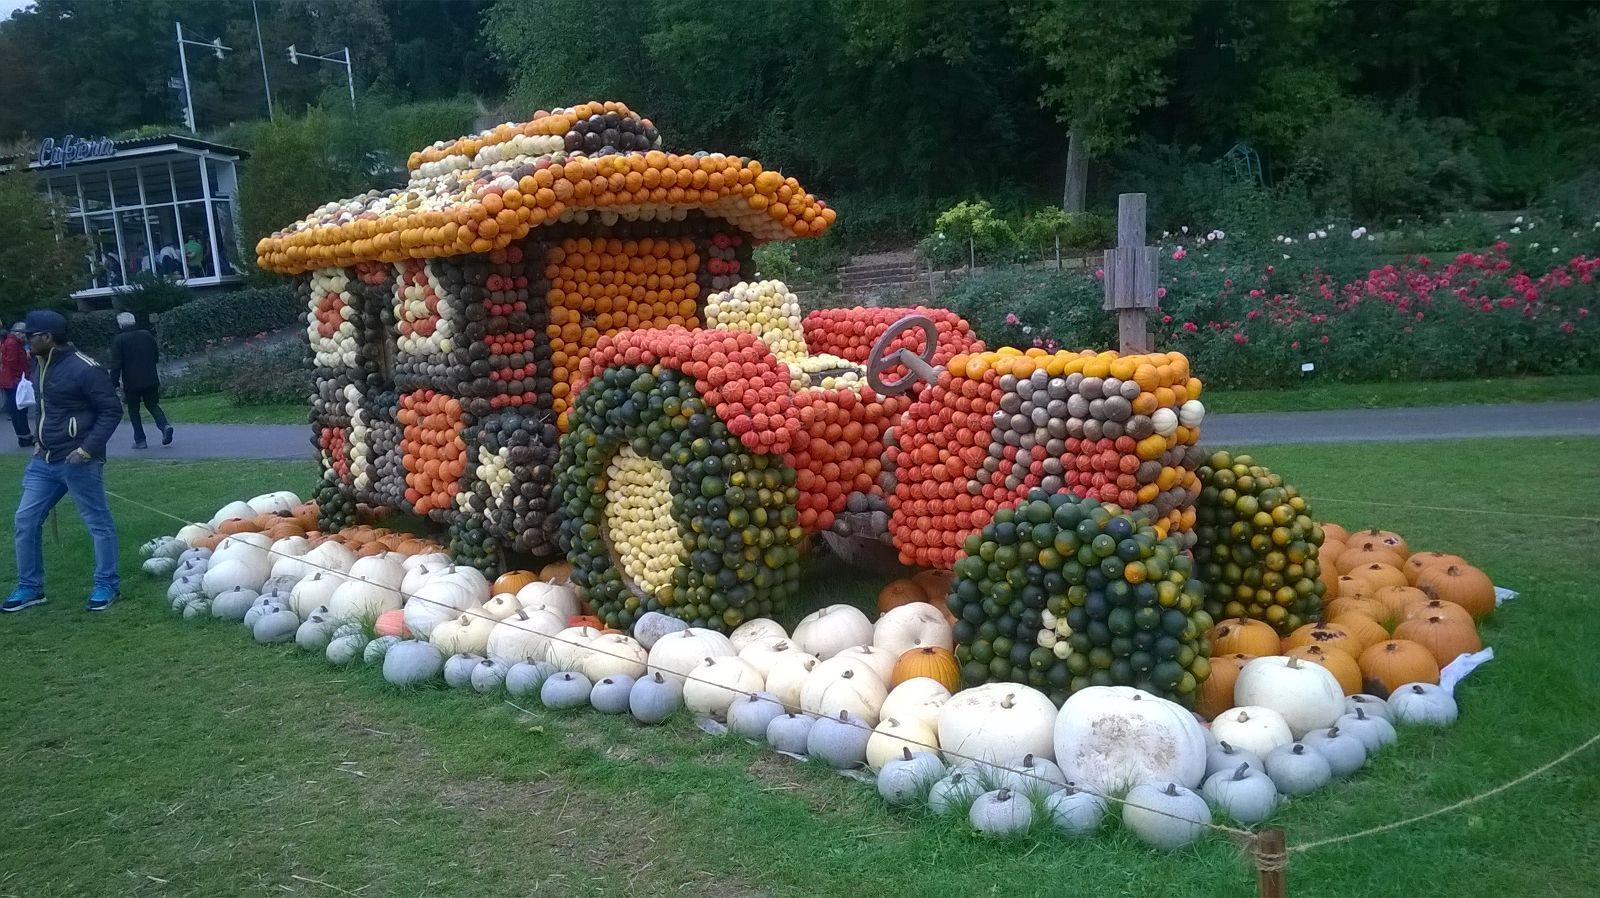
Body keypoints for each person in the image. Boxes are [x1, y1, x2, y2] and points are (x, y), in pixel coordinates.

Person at [4, 310, 124, 613]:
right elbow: (47, 410)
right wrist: (37, 441)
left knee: (98, 523)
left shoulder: (85, 369)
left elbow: (111, 410)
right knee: (25, 521)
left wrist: (86, 450)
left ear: (47, 336)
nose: (26, 342)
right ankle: (31, 588)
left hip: (78, 460)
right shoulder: (38, 363)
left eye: (31, 336)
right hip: (43, 461)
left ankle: (107, 584)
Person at [108, 311, 173, 449]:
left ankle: (140, 440)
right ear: (134, 322)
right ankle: (164, 426)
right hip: (151, 377)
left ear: (120, 325)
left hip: (132, 382)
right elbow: (155, 355)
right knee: (152, 404)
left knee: (133, 410)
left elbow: (116, 364)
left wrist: (113, 383)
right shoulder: (146, 335)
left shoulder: (119, 340)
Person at [2, 321, 33, 447]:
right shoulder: (13, 344)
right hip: (15, 381)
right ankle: (24, 436)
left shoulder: (12, 342)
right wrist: (21, 378)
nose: (25, 337)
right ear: (18, 333)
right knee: (19, 410)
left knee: (18, 410)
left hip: (13, 380)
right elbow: (12, 363)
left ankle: (24, 436)